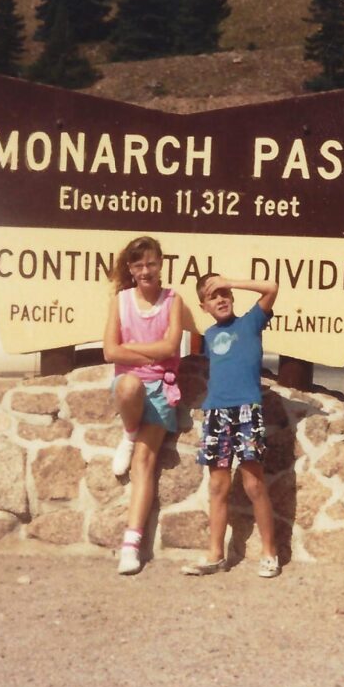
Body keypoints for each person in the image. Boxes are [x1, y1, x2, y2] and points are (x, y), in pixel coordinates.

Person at [181, 272, 281, 579]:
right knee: (217, 485)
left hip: (247, 410)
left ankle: (270, 552)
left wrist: (231, 281)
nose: (221, 299)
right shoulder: (209, 336)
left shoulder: (250, 322)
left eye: (224, 293)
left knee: (253, 484)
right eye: (213, 296)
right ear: (204, 306)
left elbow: (271, 287)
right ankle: (215, 554)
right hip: (216, 413)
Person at [103, 235, 184, 575]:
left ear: (161, 263)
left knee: (143, 464)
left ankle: (131, 544)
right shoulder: (121, 300)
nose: (146, 270)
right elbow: (110, 351)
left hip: (162, 390)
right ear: (131, 269)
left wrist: (135, 347)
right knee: (131, 384)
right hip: (132, 386)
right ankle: (129, 430)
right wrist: (152, 349)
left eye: (151, 263)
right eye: (139, 265)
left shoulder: (173, 300)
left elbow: (172, 348)